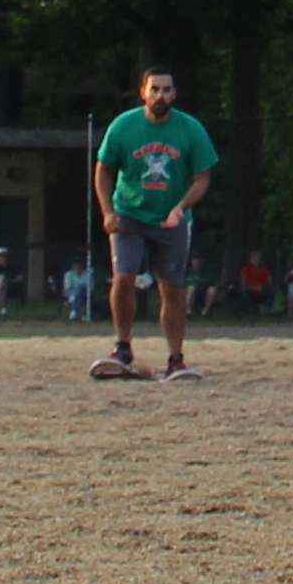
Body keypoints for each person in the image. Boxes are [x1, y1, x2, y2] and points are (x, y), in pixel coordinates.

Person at [91, 66, 219, 381]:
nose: (161, 96)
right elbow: (104, 170)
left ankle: (175, 359)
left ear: (174, 94)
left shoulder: (191, 130)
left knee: (172, 289)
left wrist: (181, 207)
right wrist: (108, 211)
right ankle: (122, 348)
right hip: (130, 215)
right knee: (123, 278)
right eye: (155, 89)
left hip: (171, 221)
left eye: (167, 90)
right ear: (143, 92)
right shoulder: (123, 127)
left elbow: (202, 178)